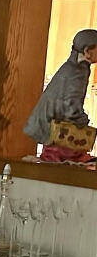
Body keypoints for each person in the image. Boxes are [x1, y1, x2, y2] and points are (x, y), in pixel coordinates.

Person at [24, 28, 97, 163]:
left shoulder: (73, 67)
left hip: (51, 120)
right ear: (87, 51)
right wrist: (81, 120)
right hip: (52, 125)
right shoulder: (77, 71)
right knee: (65, 146)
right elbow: (71, 103)